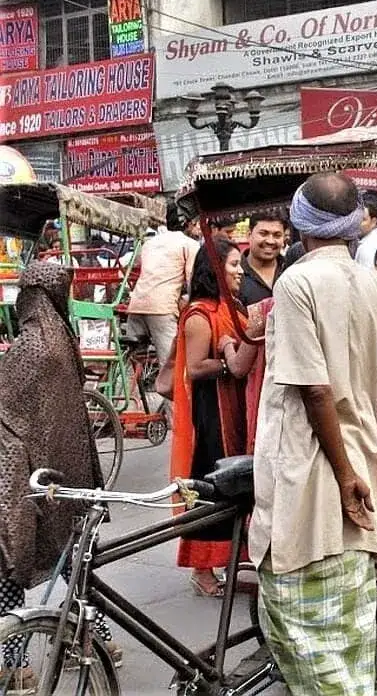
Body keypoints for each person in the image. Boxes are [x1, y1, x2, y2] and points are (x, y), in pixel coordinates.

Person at [251, 172, 377, 696]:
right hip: (363, 460)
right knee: (349, 628)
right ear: (349, 225)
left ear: (299, 222)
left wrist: (343, 477)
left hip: (314, 469)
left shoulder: (295, 283)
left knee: (300, 629)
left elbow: (315, 391)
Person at [0, 263, 119, 689]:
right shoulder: (61, 339)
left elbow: (6, 406)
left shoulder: (33, 345)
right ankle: (97, 638)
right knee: (73, 562)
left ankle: (14, 663)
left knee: (10, 567)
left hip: (27, 472)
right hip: (67, 470)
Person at [171, 238, 256, 598]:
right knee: (208, 486)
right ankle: (201, 569)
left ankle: (232, 558)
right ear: (215, 269)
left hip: (232, 406)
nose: (240, 270)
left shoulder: (232, 305)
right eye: (234, 264)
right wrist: (229, 360)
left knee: (236, 482)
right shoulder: (200, 314)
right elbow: (195, 367)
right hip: (209, 415)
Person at [125, 210, 199, 370]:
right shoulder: (190, 244)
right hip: (162, 309)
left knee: (131, 358)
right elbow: (192, 279)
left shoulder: (150, 243)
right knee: (171, 364)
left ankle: (125, 389)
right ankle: (171, 396)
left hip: (136, 304)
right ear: (189, 223)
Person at [239, 216, 287, 307]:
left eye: (277, 235)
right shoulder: (235, 274)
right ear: (249, 235)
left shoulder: (290, 269)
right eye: (263, 234)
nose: (270, 241)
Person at [354, 197, 377, 269]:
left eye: (363, 219)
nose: (357, 223)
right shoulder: (366, 243)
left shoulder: (368, 248)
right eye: (355, 218)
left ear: (373, 222)